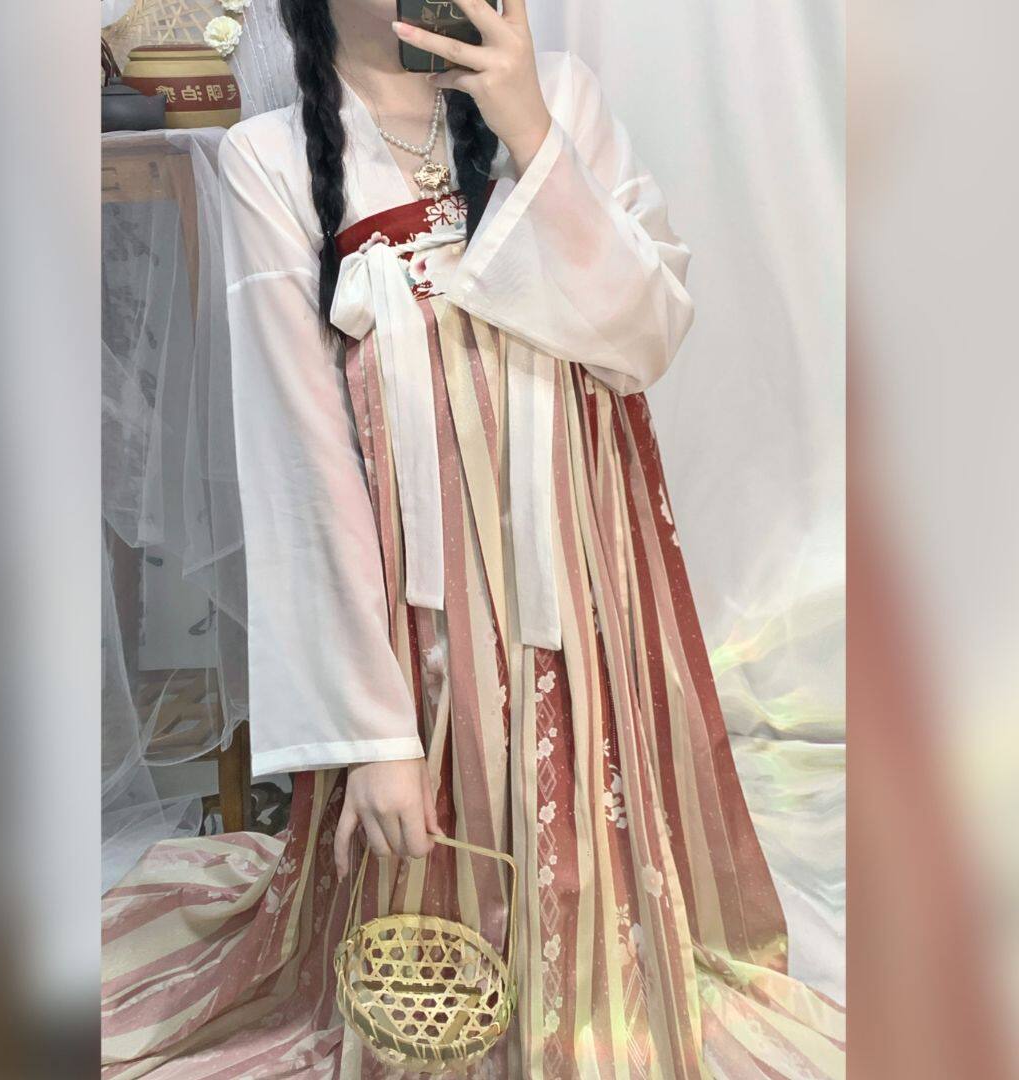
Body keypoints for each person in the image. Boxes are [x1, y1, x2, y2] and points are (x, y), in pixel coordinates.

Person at [101, 2, 844, 1076]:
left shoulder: (561, 96)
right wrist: (373, 738)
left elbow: (643, 335)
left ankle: (591, 983)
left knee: (595, 835)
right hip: (422, 624)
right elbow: (301, 468)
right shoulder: (270, 158)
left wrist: (529, 124)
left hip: (588, 568)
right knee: (436, 873)